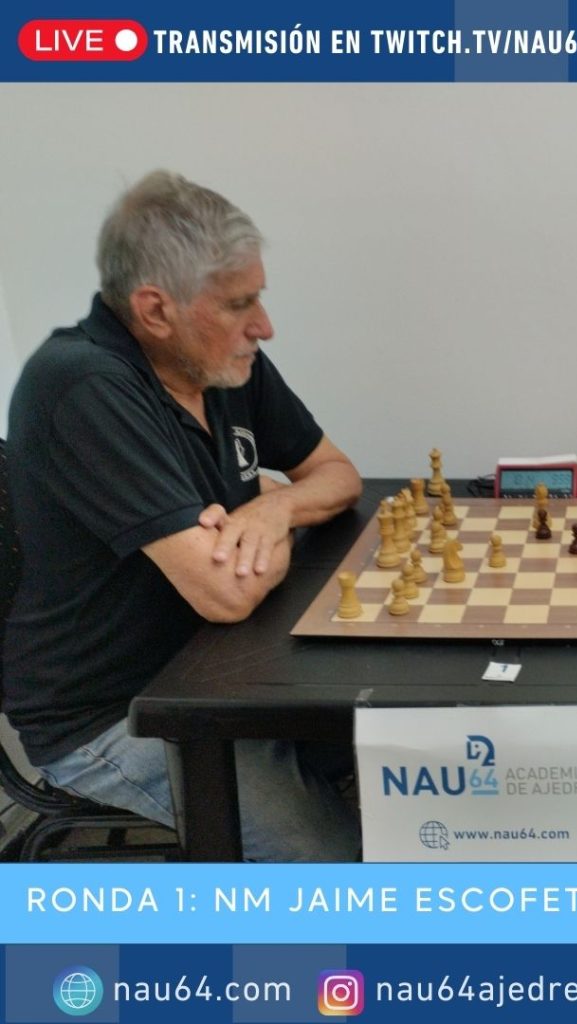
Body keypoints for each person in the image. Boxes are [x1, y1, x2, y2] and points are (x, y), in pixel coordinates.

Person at [3, 170, 363, 861]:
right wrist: (276, 518)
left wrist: (273, 508)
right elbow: (225, 593)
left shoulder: (223, 363)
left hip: (221, 669)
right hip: (115, 713)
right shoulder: (82, 385)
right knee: (330, 862)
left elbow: (338, 474)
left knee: (396, 755)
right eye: (238, 304)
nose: (264, 326)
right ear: (156, 310)